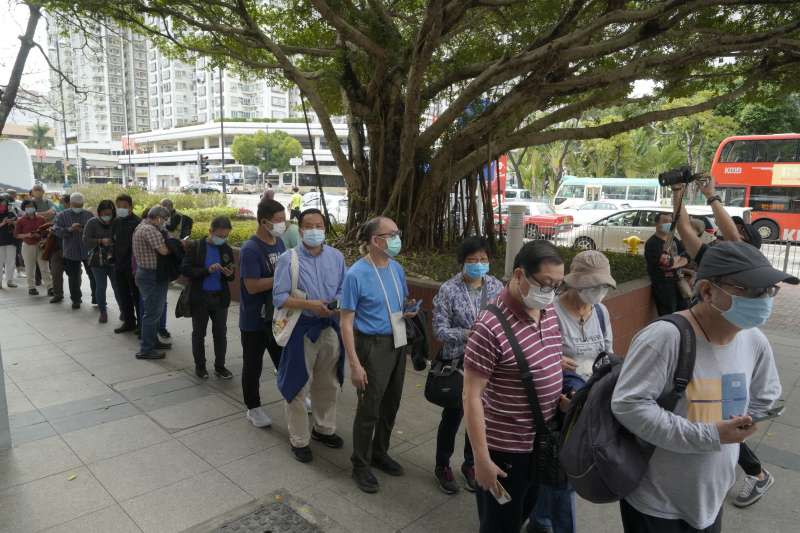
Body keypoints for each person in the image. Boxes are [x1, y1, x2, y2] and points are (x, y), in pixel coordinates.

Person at [611, 241, 789, 533]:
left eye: (770, 291)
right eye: (754, 290)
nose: (765, 299)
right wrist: (710, 434)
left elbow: (766, 397)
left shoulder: (753, 339)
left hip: (711, 496)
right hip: (657, 502)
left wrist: (745, 422)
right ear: (707, 291)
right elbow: (629, 405)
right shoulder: (664, 338)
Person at [673, 182, 775, 509]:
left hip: (724, 341)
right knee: (710, 413)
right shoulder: (712, 259)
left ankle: (756, 473)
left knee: (719, 414)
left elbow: (735, 239)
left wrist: (712, 195)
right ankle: (752, 471)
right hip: (700, 335)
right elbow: (684, 228)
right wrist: (678, 194)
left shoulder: (745, 264)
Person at [463, 240, 566, 533]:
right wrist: (481, 459)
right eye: (545, 284)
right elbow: (471, 396)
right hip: (505, 451)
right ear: (519, 275)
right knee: (500, 524)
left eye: (558, 285)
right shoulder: (489, 327)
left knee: (525, 511)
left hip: (542, 442)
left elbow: (545, 361)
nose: (551, 293)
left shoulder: (547, 312)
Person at [529, 250, 616, 533]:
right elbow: (532, 356)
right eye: (593, 285)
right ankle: (550, 524)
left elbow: (608, 354)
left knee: (561, 473)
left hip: (590, 406)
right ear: (575, 283)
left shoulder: (601, 312)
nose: (598, 292)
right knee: (558, 474)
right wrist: (555, 363)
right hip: (557, 406)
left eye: (603, 286)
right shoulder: (549, 312)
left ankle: (539, 521)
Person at [341, 217, 415, 493]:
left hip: (397, 342)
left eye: (397, 232)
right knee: (369, 407)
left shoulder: (396, 268)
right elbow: (346, 321)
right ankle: (360, 464)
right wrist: (354, 363)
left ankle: (379, 452)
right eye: (391, 234)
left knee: (391, 402)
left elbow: (400, 302)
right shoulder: (356, 274)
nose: (397, 238)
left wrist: (409, 310)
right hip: (371, 346)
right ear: (375, 241)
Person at [273, 208, 347, 463]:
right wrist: (310, 305)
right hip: (301, 329)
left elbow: (343, 288)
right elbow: (279, 297)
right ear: (301, 229)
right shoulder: (288, 259)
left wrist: (336, 303)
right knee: (297, 386)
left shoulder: (337, 257)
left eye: (319, 225)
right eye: (309, 226)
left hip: (330, 328)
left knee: (329, 383)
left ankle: (324, 429)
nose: (315, 230)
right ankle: (299, 440)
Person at [431, 236, 504, 494]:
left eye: (483, 260)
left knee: (480, 418)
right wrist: (468, 334)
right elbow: (439, 330)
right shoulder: (449, 290)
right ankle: (442, 465)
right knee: (453, 416)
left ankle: (470, 463)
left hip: (487, 365)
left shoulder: (496, 287)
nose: (478, 264)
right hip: (458, 365)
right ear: (462, 262)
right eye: (472, 260)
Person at [239, 199, 287, 428]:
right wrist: (280, 277)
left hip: (277, 317)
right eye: (278, 221)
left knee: (285, 361)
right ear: (264, 221)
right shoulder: (250, 249)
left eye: (283, 219)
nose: (282, 224)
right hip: (254, 320)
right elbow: (252, 286)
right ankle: (253, 408)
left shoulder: (278, 242)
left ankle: (293, 394)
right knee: (253, 365)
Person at [181, 216, 235, 379]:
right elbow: (185, 269)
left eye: (226, 236)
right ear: (210, 231)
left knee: (220, 333)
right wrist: (206, 270)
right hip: (200, 297)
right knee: (199, 333)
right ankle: (200, 366)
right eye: (220, 235)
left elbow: (231, 275)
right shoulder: (196, 246)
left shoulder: (226, 249)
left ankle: (220, 366)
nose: (223, 239)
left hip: (220, 298)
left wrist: (229, 274)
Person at [132, 205, 173, 359]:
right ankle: (146, 349)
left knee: (155, 311)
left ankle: (153, 341)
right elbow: (163, 250)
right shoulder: (149, 230)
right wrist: (174, 246)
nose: (164, 223)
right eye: (164, 219)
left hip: (147, 274)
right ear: (157, 218)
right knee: (152, 313)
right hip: (151, 276)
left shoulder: (141, 226)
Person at [52, 192, 95, 309]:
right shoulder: (62, 215)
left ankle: (96, 297)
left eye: (80, 205)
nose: (78, 207)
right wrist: (70, 229)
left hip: (88, 250)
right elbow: (56, 231)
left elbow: (95, 230)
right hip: (70, 251)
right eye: (75, 205)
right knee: (73, 277)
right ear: (70, 203)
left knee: (93, 275)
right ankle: (76, 299)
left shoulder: (89, 215)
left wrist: (83, 230)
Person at [644, 212, 689, 316]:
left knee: (683, 313)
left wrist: (675, 262)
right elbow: (666, 264)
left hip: (678, 282)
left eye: (670, 221)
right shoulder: (652, 243)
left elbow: (687, 257)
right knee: (668, 314)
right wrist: (677, 260)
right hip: (664, 286)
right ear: (656, 224)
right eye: (664, 221)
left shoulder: (674, 239)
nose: (668, 224)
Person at [111, 194, 141, 333]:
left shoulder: (137, 222)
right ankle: (129, 322)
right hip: (119, 264)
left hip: (133, 266)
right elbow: (114, 240)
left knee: (137, 296)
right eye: (119, 206)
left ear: (131, 207)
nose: (121, 209)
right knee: (123, 295)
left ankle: (141, 325)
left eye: (124, 206)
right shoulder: (116, 221)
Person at [83, 200, 117, 323]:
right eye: (104, 213)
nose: (107, 216)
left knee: (117, 287)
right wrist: (100, 241)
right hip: (98, 260)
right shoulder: (92, 222)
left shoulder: (117, 222)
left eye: (109, 213)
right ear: (99, 213)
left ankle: (124, 312)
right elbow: (86, 240)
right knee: (101, 286)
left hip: (115, 259)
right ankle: (103, 312)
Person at [14, 199, 52, 296]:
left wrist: (41, 236)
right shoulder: (20, 220)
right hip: (27, 246)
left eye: (31, 206)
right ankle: (31, 287)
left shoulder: (41, 219)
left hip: (40, 245)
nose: (30, 208)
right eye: (27, 207)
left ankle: (50, 287)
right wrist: (27, 235)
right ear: (24, 208)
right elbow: (16, 235)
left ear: (35, 207)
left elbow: (46, 231)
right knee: (30, 268)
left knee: (45, 267)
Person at [48, 194, 70, 302]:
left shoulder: (79, 215)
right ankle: (58, 294)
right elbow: (55, 229)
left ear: (69, 203)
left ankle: (76, 296)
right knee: (56, 272)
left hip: (71, 249)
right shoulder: (58, 215)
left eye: (62, 202)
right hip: (57, 248)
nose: (60, 204)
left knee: (74, 273)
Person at [0, 194, 18, 289]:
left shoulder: (11, 213)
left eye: (4, 204)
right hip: (0, 241)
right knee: (0, 261)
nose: (3, 206)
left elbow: (18, 223)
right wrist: (3, 223)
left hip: (11, 240)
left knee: (10, 261)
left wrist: (13, 222)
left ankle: (10, 280)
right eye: (1, 204)